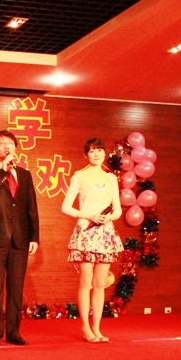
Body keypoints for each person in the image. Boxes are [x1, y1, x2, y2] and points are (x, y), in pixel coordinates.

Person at [0, 130, 39, 347]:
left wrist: (34, 237)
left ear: (16, 148)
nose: (6, 146)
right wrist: (3, 171)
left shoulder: (25, 175)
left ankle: (13, 332)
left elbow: (31, 207)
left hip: (20, 238)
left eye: (10, 143)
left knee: (16, 288)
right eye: (1, 143)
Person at [61, 138, 123, 343]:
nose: (96, 154)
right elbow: (66, 207)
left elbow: (118, 209)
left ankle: (97, 327)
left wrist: (110, 217)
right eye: (92, 151)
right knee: (85, 282)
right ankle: (85, 328)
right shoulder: (79, 176)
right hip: (86, 232)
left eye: (99, 150)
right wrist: (88, 216)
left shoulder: (111, 178)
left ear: (105, 153)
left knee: (99, 284)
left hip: (105, 234)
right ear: (85, 155)